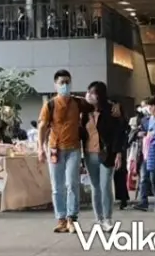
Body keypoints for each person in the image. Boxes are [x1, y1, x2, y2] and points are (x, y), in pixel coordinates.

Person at [38, 69, 92, 233]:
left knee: (72, 184)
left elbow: (96, 104)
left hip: (74, 149)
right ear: (55, 85)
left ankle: (72, 218)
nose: (65, 85)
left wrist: (116, 106)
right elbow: (42, 127)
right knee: (57, 186)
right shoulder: (50, 105)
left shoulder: (78, 102)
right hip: (55, 149)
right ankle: (61, 218)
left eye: (68, 82)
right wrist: (40, 148)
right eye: (62, 82)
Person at [81, 82, 125, 231]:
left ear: (100, 95)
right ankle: (98, 218)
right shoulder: (84, 111)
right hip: (89, 153)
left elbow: (119, 132)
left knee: (105, 186)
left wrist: (118, 152)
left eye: (93, 93)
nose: (89, 95)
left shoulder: (111, 111)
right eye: (88, 92)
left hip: (107, 154)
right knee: (95, 187)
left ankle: (108, 218)